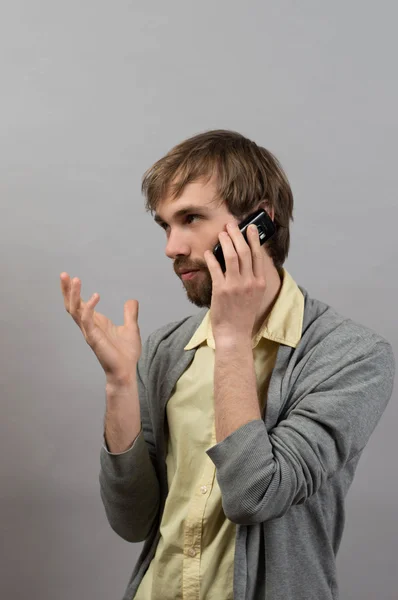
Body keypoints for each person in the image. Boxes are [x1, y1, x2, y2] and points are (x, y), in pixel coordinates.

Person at [60, 130, 395, 600]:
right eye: (165, 226)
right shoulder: (165, 350)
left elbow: (255, 495)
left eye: (191, 218)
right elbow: (131, 521)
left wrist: (232, 336)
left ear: (261, 219)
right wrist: (120, 385)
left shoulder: (352, 355)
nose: (172, 247)